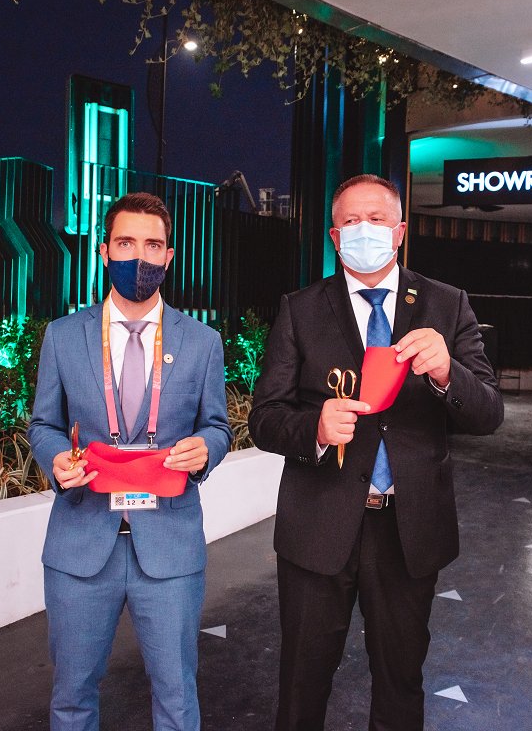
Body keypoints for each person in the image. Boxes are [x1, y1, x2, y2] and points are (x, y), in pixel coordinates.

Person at [248, 174, 503, 731]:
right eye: (351, 221)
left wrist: (446, 372)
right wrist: (314, 428)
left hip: (409, 531)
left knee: (400, 683)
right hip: (318, 526)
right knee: (301, 684)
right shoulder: (301, 309)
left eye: (378, 219)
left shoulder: (446, 304)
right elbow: (264, 417)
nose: (365, 230)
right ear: (334, 237)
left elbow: (488, 413)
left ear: (400, 231)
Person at [28, 192, 232, 731]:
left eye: (152, 245)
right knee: (72, 696)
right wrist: (56, 460)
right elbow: (43, 425)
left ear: (169, 256)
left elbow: (218, 426)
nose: (139, 256)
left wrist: (206, 449)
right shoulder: (63, 336)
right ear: (104, 251)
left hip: (169, 548)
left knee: (177, 696)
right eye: (125, 243)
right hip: (80, 545)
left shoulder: (203, 342)